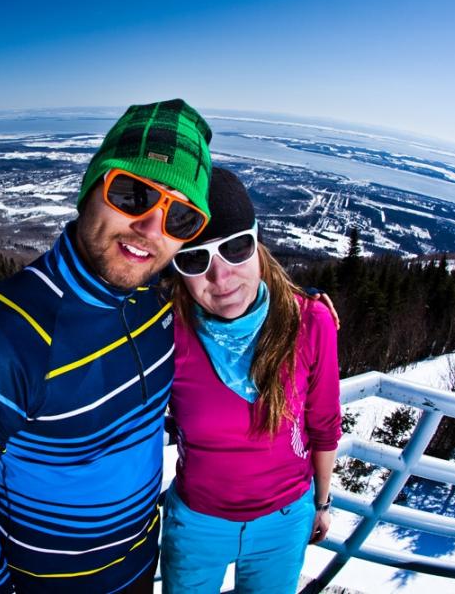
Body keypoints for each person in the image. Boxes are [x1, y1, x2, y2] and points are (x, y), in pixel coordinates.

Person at [0, 99, 214, 593]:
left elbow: (240, 293)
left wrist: (303, 305)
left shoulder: (164, 298)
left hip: (142, 564)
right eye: (132, 193)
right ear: (91, 188)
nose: (151, 229)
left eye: (181, 218)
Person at [160, 168, 341, 594]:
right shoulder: (166, 332)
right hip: (197, 525)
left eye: (236, 249)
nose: (220, 279)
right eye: (194, 259)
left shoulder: (310, 322)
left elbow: (324, 424)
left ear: (258, 243)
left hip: (284, 524)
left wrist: (322, 502)